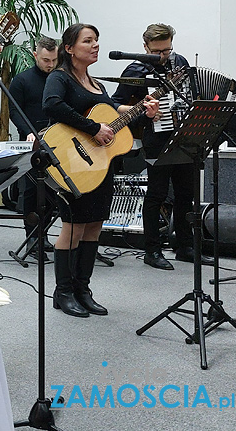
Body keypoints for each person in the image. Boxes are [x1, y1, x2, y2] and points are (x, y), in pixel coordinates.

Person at [43, 23, 158, 318]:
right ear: (69, 48)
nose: (95, 45)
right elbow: (52, 105)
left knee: (94, 226)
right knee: (74, 227)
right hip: (72, 162)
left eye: (96, 41)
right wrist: (93, 128)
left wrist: (142, 112)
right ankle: (63, 292)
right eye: (88, 41)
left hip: (99, 165)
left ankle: (83, 289)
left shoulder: (97, 85)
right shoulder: (60, 78)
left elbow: (112, 117)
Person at [112, 23, 212, 271]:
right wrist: (145, 113)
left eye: (166, 50)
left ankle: (185, 246)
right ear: (145, 47)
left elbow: (193, 93)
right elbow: (115, 104)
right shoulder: (136, 70)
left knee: (185, 194)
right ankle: (152, 249)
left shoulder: (181, 63)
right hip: (156, 139)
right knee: (156, 194)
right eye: (156, 51)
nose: (162, 56)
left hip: (184, 137)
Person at [8, 35, 58, 253]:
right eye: (46, 60)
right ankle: (31, 237)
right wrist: (28, 132)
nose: (51, 65)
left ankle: (43, 235)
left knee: (53, 193)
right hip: (31, 142)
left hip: (57, 140)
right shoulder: (22, 81)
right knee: (31, 192)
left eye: (55, 60)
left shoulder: (59, 79)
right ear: (35, 55)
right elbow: (14, 112)